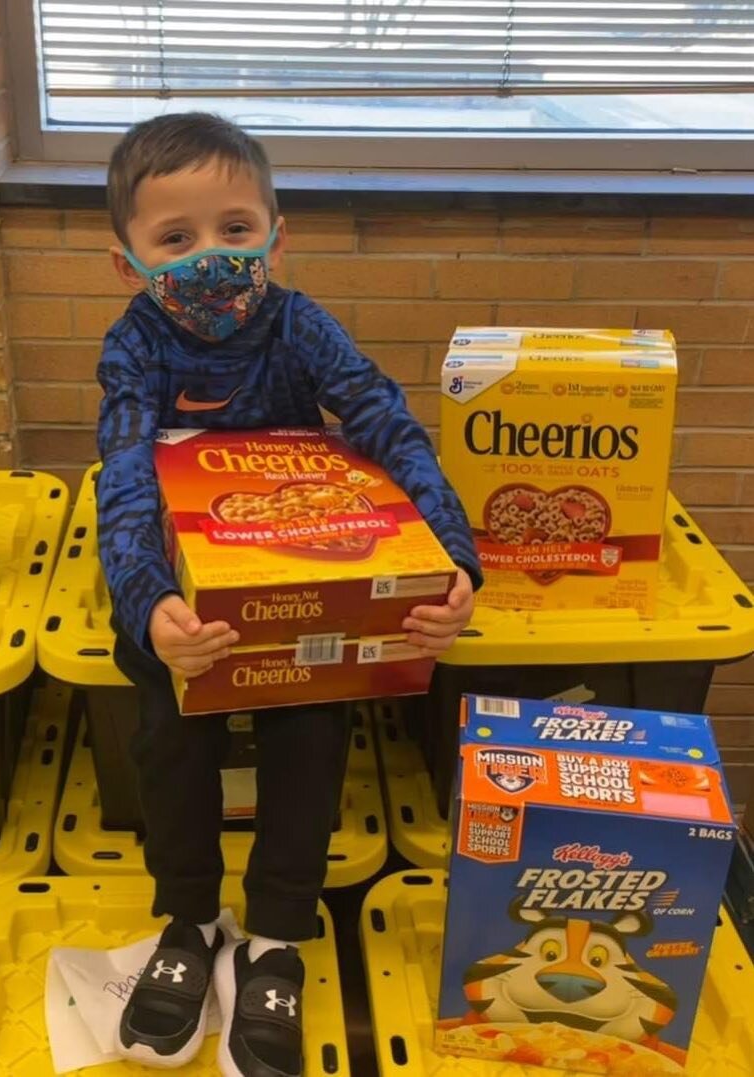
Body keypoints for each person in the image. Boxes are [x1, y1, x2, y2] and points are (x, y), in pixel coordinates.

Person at [96, 112, 482, 1077]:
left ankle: (276, 936)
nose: (211, 257)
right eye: (175, 240)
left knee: (311, 745)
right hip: (182, 603)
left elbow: (386, 424)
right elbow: (125, 470)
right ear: (127, 259)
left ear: (276, 228)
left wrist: (453, 559)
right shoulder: (134, 344)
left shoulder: (301, 324)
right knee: (171, 746)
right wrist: (149, 603)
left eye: (234, 229)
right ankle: (185, 921)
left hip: (310, 598)